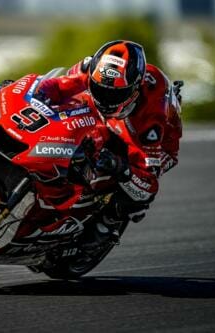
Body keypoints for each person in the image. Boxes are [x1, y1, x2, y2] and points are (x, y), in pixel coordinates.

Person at [36, 40, 183, 241]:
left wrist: (121, 167)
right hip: (111, 119)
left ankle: (108, 224)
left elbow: (148, 182)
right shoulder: (93, 69)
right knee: (78, 131)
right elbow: (57, 86)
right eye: (100, 89)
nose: (105, 98)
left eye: (115, 93)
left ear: (135, 89)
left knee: (135, 192)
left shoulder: (151, 119)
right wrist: (36, 94)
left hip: (149, 141)